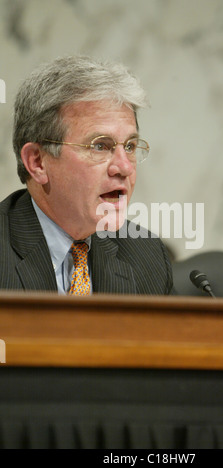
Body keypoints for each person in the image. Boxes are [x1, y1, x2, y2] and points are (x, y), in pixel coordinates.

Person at [0, 55, 174, 295]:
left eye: (131, 146)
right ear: (38, 162)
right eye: (100, 146)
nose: (124, 167)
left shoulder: (145, 255)